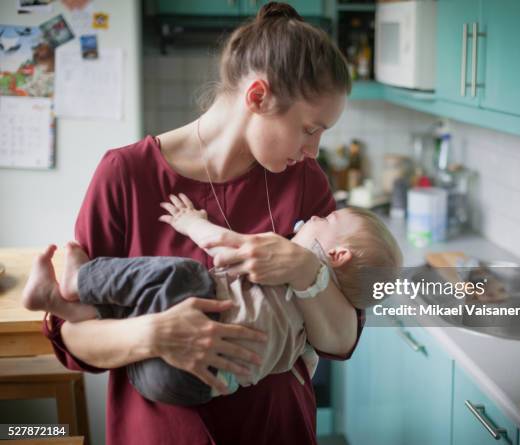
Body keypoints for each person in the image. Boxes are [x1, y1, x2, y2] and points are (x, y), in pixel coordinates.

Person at [41, 2, 364, 444]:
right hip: (163, 430)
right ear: (257, 97)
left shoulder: (304, 181)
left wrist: (305, 269)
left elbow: (341, 340)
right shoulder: (126, 174)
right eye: (310, 129)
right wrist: (154, 334)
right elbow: (72, 339)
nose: (313, 149)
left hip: (276, 428)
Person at [23, 194, 403, 406]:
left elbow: (224, 248)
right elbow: (315, 356)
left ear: (336, 255)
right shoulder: (309, 332)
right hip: (189, 389)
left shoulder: (286, 261)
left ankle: (79, 282)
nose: (313, 219)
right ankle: (67, 307)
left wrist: (190, 221)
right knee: (142, 309)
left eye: (326, 219)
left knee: (185, 276)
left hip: (180, 365)